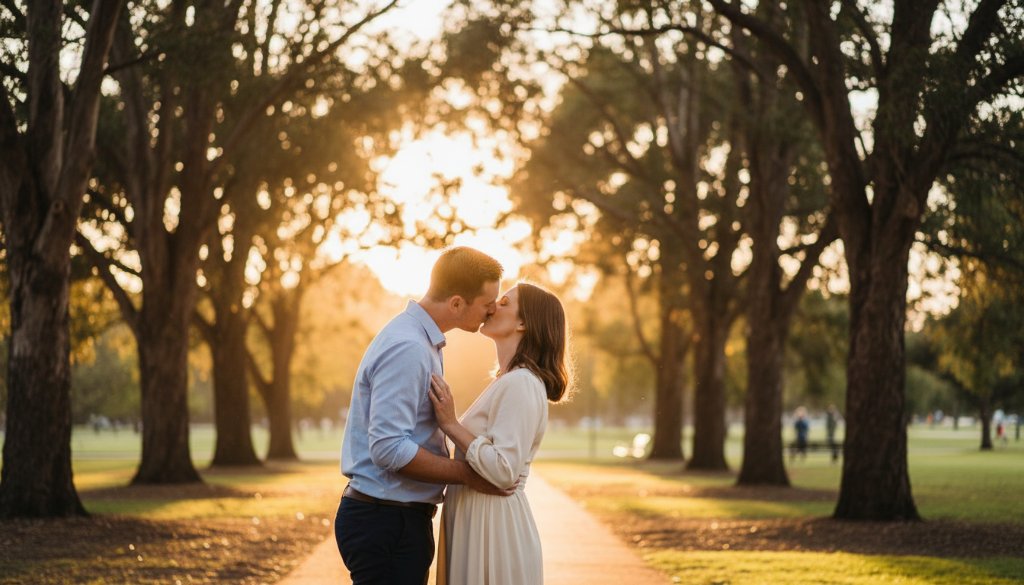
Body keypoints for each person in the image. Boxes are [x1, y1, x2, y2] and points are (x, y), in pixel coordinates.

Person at [335, 247, 512, 585]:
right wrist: (471, 474)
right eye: (487, 304)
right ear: (457, 303)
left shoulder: (420, 341)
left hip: (393, 518)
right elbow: (389, 448)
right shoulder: (409, 347)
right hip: (386, 522)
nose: (492, 311)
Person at [429, 282, 569, 585]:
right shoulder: (508, 380)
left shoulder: (521, 383)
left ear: (523, 323)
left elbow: (505, 469)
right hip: (478, 519)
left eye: (504, 303)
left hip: (493, 527)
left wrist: (451, 425)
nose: (492, 307)